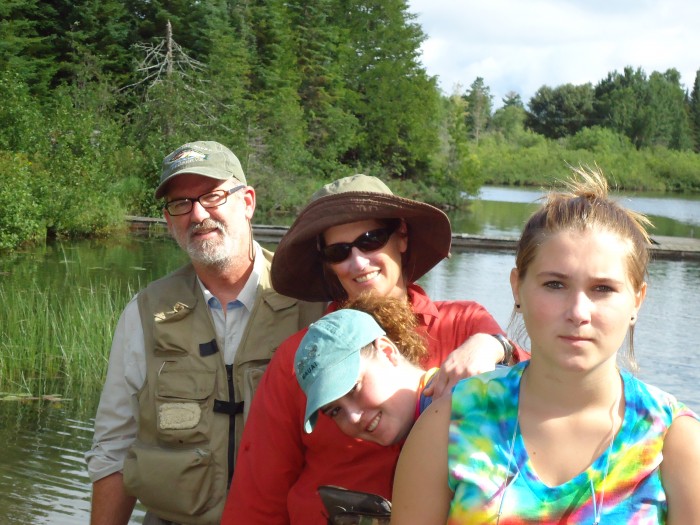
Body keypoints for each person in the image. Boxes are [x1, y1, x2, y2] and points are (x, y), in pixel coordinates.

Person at [391, 166, 700, 524]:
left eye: (603, 289)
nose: (578, 312)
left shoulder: (675, 444)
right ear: (517, 288)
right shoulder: (449, 425)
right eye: (555, 284)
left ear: (637, 301)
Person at [222, 174, 530, 524]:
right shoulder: (296, 361)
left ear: (401, 236)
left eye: (370, 240)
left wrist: (496, 345)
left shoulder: (463, 324)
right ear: (328, 264)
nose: (357, 262)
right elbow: (258, 499)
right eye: (339, 252)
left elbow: (553, 396)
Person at [85, 141, 324, 525]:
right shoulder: (145, 313)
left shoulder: (314, 305)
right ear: (168, 220)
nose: (197, 214)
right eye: (180, 203)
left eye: (212, 196)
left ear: (247, 202)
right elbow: (114, 447)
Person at [296, 294, 437, 447]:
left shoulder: (453, 411)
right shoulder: (425, 426)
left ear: (387, 352)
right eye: (335, 411)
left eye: (353, 388)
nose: (353, 417)